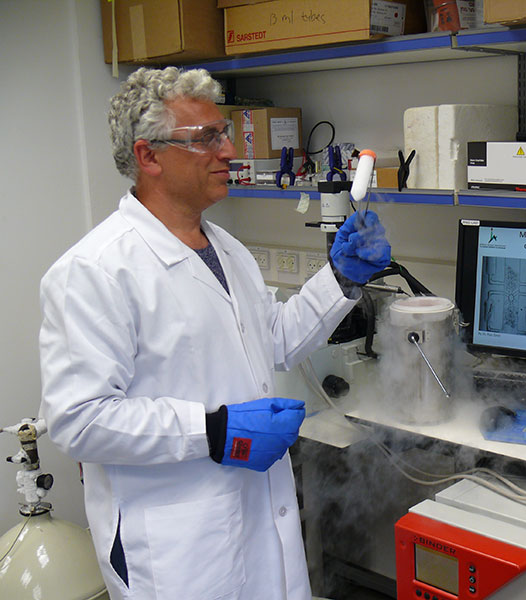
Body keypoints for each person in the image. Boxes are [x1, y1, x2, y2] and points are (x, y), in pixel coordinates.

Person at [39, 66, 391, 600]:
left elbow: (272, 340)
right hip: (178, 548)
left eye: (223, 133)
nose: (228, 151)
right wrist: (214, 429)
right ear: (148, 156)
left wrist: (341, 277)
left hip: (255, 522)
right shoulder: (95, 270)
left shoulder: (225, 247)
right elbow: (78, 420)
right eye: (205, 138)